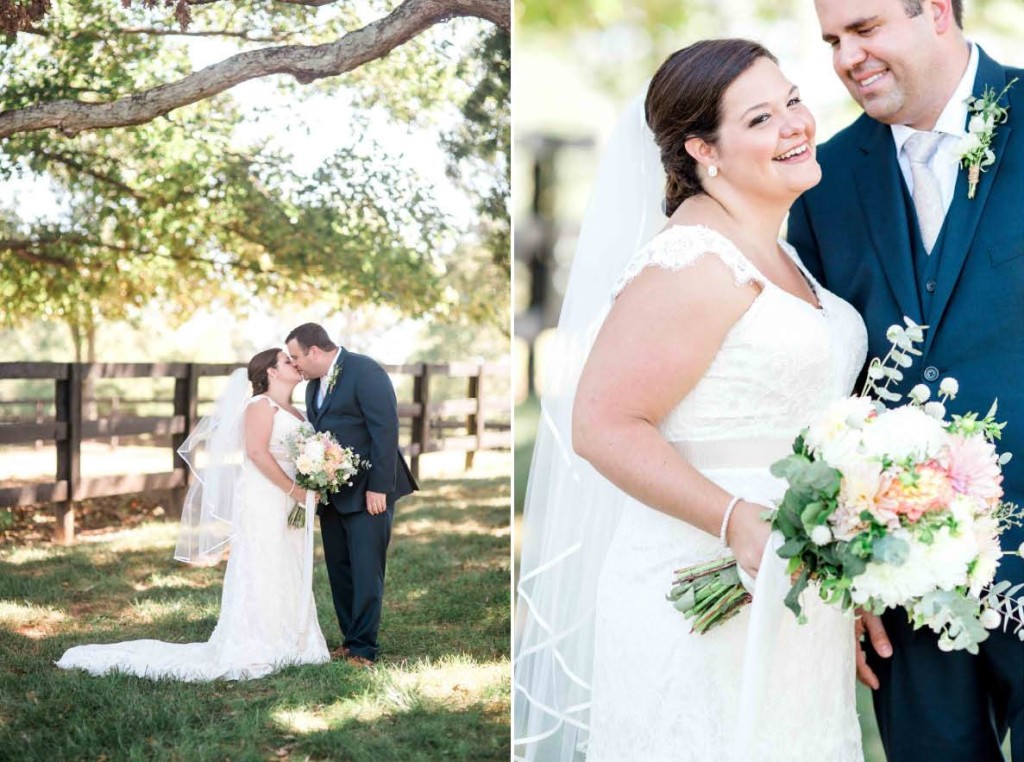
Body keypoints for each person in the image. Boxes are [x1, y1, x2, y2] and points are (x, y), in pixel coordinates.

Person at [514, 39, 866, 762]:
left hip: (794, 584)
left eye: (794, 100)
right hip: (702, 587)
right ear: (703, 148)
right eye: (762, 118)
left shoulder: (778, 250)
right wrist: (736, 520)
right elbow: (603, 424)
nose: (796, 124)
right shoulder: (694, 261)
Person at [788, 1, 1024, 759]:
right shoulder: (822, 186)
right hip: (903, 578)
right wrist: (847, 579)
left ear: (939, 13)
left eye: (865, 29)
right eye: (832, 40)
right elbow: (824, 381)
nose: (847, 57)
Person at [56, 349, 330, 681]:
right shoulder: (260, 406)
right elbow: (257, 453)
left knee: (289, 561)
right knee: (264, 561)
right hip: (266, 497)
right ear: (270, 372)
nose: (296, 364)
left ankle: (295, 638)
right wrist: (293, 489)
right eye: (287, 361)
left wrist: (313, 479)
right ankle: (257, 642)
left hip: (291, 499)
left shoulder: (298, 412)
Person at [285, 323, 417, 667]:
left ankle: (364, 649)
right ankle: (349, 638)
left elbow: (385, 430)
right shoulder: (313, 385)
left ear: (315, 351)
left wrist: (379, 487)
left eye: (297, 357)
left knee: (366, 568)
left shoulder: (365, 371)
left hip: (368, 491)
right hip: (332, 491)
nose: (295, 364)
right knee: (339, 568)